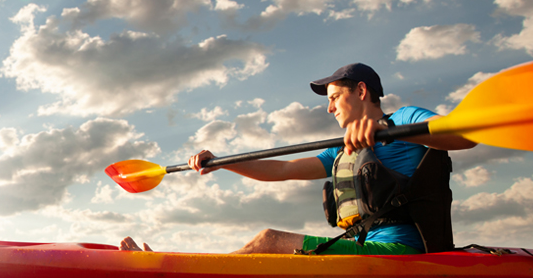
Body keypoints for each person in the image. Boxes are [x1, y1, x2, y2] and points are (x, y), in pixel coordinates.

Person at [121, 63, 476, 254]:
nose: (329, 107)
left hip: (401, 251)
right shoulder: (343, 148)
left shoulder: (405, 120)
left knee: (269, 241)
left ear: (362, 92)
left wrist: (382, 129)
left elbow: (464, 136)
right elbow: (282, 169)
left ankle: (175, 272)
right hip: (358, 246)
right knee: (268, 242)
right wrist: (224, 162)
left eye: (335, 97)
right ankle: (180, 265)